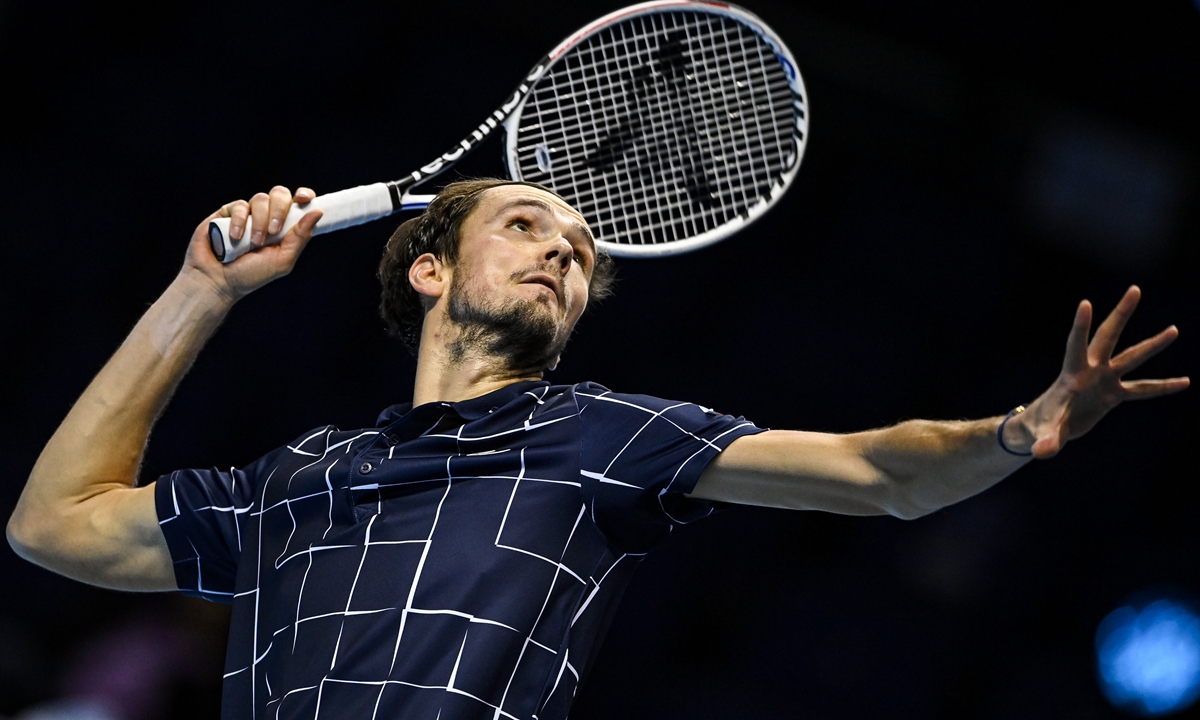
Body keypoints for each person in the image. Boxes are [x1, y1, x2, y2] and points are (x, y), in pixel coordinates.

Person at [7, 179, 1188, 720]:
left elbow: (877, 473)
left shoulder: (596, 437)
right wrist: (202, 292)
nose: (561, 255)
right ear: (430, 269)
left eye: (577, 255)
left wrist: (1014, 431)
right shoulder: (299, 478)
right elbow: (54, 524)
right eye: (526, 226)